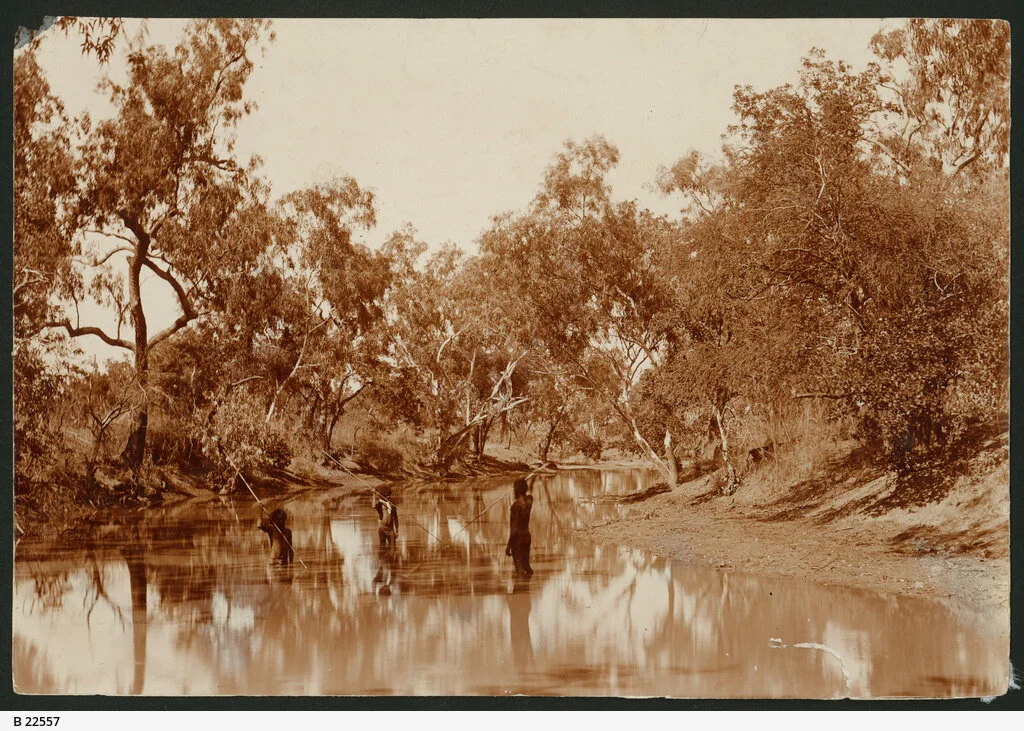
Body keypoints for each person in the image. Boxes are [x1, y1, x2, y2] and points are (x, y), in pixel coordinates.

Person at [505, 477, 534, 577]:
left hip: (518, 539)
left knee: (520, 571)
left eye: (514, 488)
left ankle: (520, 591)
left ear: (516, 490)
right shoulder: (530, 500)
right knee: (527, 567)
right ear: (525, 488)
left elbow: (514, 529)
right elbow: (529, 494)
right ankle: (528, 588)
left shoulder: (515, 506)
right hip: (527, 537)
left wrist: (508, 545)